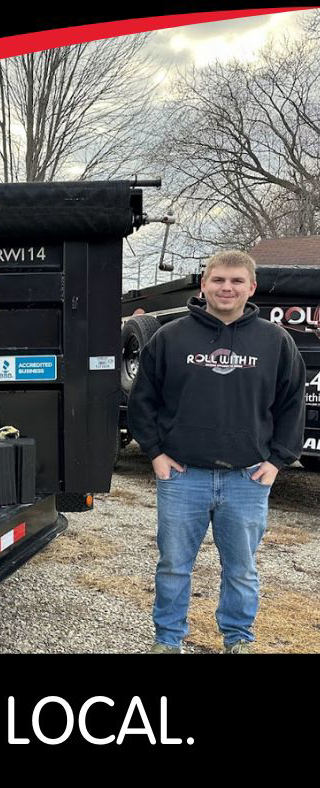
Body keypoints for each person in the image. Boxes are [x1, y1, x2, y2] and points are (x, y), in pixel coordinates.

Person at [128, 249, 305, 654]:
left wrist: (278, 460)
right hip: (182, 476)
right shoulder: (170, 337)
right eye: (219, 280)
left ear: (251, 287)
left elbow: (292, 403)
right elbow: (143, 400)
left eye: (237, 281)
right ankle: (167, 640)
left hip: (247, 478)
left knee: (241, 571)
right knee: (173, 567)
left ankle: (238, 640)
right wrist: (154, 452)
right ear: (204, 284)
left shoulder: (275, 340)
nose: (227, 288)